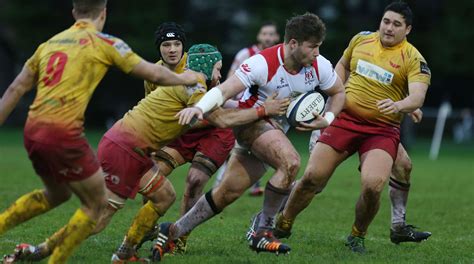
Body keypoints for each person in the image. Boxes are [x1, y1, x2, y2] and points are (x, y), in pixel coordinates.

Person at [6, 44, 289, 263]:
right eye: (217, 68)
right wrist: (264, 111)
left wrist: (258, 112)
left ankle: (126, 251)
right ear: (206, 66)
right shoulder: (195, 86)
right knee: (100, 216)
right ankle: (38, 250)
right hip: (124, 149)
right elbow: (223, 120)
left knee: (164, 195)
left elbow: (226, 111)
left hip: (132, 148)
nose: (220, 74)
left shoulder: (193, 82)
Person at [0, 0, 199, 262]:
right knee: (96, 207)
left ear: (74, 12)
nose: (172, 49)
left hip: (33, 131)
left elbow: (14, 89)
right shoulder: (106, 43)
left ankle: (123, 251)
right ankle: (50, 256)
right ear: (103, 13)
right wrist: (187, 78)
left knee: (58, 194)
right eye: (166, 45)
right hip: (66, 134)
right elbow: (153, 73)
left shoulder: (49, 44)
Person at [151, 12, 346, 261]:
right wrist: (200, 108)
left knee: (226, 194)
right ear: (293, 43)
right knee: (291, 162)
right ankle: (262, 230)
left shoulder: (319, 66)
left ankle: (173, 231)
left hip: (275, 130)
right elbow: (223, 91)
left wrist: (327, 119)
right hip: (250, 123)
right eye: (313, 46)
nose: (317, 53)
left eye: (319, 46)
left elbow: (339, 93)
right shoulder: (262, 63)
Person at [273, 2, 431, 254]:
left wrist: (401, 104)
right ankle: (283, 223)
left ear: (408, 29)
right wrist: (337, 88)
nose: (389, 28)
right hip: (344, 120)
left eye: (396, 24)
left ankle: (357, 235)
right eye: (386, 21)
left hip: (381, 130)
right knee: (312, 178)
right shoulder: (361, 40)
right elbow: (343, 65)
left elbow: (418, 96)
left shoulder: (413, 58)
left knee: (372, 186)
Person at [215, 21, 280, 197]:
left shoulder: (280, 58)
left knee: (252, 145)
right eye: (265, 33)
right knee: (232, 145)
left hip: (266, 108)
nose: (268, 37)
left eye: (271, 34)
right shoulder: (246, 54)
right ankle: (221, 184)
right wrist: (230, 101)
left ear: (277, 37)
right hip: (241, 106)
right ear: (259, 36)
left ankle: (247, 183)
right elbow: (231, 78)